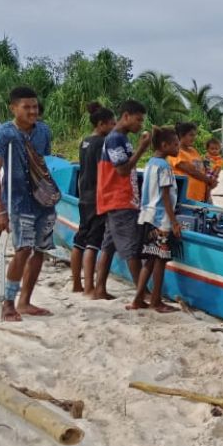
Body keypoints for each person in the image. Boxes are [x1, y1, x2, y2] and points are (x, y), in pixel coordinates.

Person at [0, 87, 57, 322]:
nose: (32, 111)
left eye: (35, 106)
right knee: (23, 249)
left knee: (39, 250)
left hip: (42, 200)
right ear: (13, 108)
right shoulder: (2, 134)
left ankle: (25, 301)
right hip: (17, 201)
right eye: (26, 107)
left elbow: (44, 162)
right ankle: (8, 303)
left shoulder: (43, 131)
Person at [94, 100, 153, 298]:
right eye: (138, 120)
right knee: (131, 249)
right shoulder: (115, 139)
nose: (140, 125)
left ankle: (99, 289)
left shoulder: (122, 138)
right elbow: (122, 169)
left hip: (117, 199)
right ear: (126, 116)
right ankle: (142, 293)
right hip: (119, 199)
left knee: (108, 246)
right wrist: (142, 148)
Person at [129, 127, 182, 313]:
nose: (178, 147)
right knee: (160, 260)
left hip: (147, 216)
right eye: (175, 144)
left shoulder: (151, 163)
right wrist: (174, 222)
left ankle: (138, 299)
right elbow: (166, 197)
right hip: (161, 220)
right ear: (164, 145)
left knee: (150, 261)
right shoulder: (165, 167)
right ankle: (156, 301)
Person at [71, 103, 115, 297]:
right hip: (98, 196)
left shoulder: (85, 141)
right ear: (101, 124)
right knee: (93, 243)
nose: (114, 127)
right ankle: (89, 287)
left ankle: (76, 284)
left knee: (80, 240)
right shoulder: (102, 143)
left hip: (84, 196)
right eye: (112, 123)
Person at [170, 122, 218, 203]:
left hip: (202, 196)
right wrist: (209, 180)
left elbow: (202, 171)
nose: (194, 138)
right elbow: (192, 171)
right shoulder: (175, 152)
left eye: (194, 135)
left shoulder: (193, 151)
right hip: (187, 197)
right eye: (191, 135)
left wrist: (209, 185)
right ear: (181, 135)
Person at [204, 137, 223, 203]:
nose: (214, 150)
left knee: (208, 189)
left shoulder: (219, 159)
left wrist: (214, 177)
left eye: (216, 149)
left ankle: (206, 200)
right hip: (204, 173)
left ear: (219, 149)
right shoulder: (206, 156)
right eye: (212, 149)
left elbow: (218, 169)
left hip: (212, 174)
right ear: (207, 149)